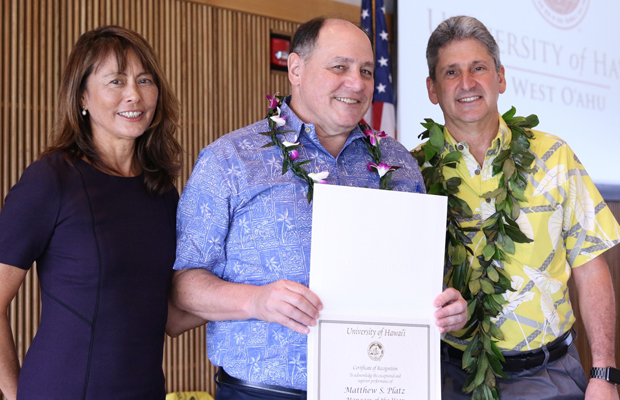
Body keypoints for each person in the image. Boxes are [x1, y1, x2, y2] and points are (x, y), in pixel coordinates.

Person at [170, 17, 468, 400]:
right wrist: (255, 300)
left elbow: (417, 280)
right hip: (265, 392)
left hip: (381, 386)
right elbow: (183, 286)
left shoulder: (400, 164)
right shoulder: (230, 159)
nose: (357, 83)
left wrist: (446, 308)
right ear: (295, 68)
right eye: (339, 67)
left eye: (365, 70)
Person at [420, 15, 620, 400]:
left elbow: (591, 265)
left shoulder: (554, 157)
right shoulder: (415, 171)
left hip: (550, 377)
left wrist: (604, 373)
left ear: (501, 77)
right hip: (448, 378)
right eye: (451, 72)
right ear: (432, 88)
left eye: (479, 68)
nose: (467, 83)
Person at [0, 25, 184, 399]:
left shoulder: (162, 190)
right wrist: (15, 392)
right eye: (116, 81)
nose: (134, 94)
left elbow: (171, 315)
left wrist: (258, 294)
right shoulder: (51, 179)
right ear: (82, 96)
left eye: (144, 79)